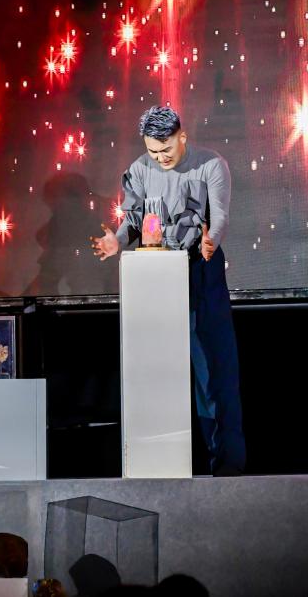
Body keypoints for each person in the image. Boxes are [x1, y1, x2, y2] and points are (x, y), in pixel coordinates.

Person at [90, 105, 246, 476]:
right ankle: (158, 464)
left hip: (200, 269)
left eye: (166, 150)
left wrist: (211, 241)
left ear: (182, 137)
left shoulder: (210, 165)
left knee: (212, 370)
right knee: (156, 371)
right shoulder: (140, 169)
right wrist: (117, 241)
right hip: (156, 274)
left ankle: (226, 466)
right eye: (153, 151)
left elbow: (220, 214)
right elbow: (133, 219)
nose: (160, 158)